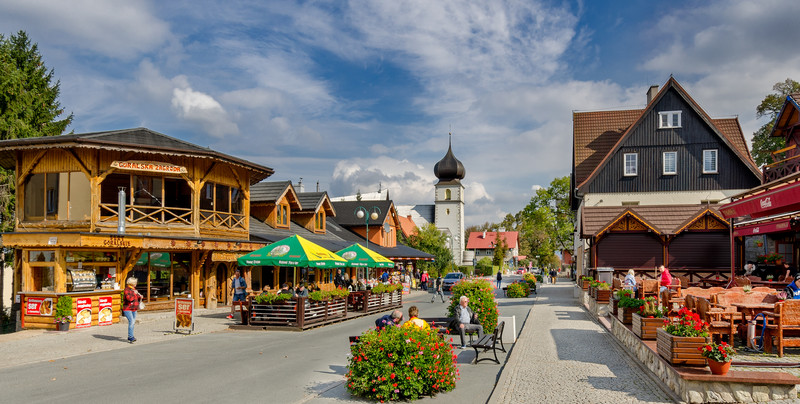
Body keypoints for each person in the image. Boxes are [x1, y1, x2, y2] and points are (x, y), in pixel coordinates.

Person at [122, 277, 142, 343]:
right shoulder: (127, 289)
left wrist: (140, 296)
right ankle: (130, 337)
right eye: (135, 282)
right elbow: (129, 299)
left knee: (132, 322)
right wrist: (135, 294)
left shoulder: (133, 289)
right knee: (132, 321)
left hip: (134, 308)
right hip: (128, 308)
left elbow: (136, 297)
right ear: (132, 283)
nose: (136, 284)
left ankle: (131, 336)